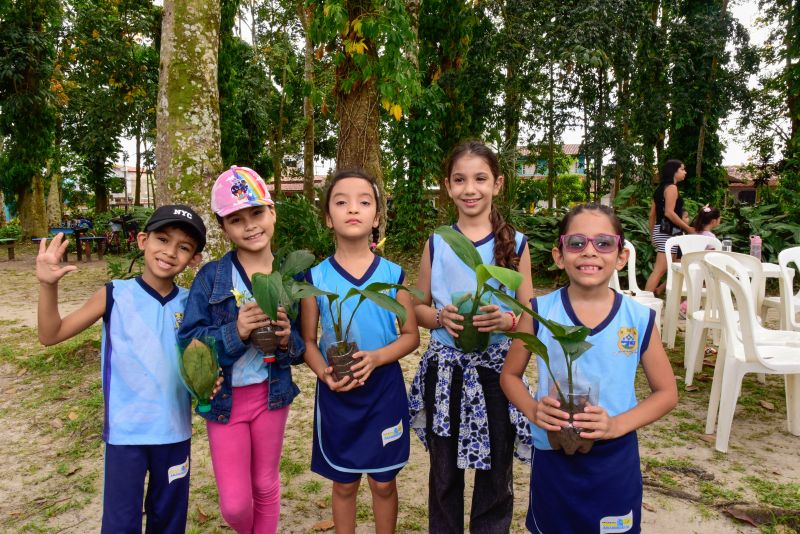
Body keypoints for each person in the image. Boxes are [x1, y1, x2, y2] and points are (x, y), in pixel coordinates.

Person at [500, 203, 678, 533]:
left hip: (614, 458)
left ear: (621, 257)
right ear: (559, 254)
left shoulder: (638, 319)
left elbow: (667, 393)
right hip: (553, 452)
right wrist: (533, 409)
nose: (590, 252)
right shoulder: (539, 312)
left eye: (604, 243)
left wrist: (615, 425)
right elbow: (509, 375)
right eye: (577, 243)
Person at [37, 204, 208, 534]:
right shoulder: (114, 294)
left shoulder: (192, 303)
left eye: (184, 246)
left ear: (195, 258)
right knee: (119, 524)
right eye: (162, 239)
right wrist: (48, 285)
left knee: (169, 523)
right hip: (125, 435)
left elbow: (208, 360)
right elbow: (50, 334)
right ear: (143, 240)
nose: (170, 252)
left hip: (175, 433)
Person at [408, 140, 534, 533]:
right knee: (444, 476)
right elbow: (419, 307)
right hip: (445, 373)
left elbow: (530, 317)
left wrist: (507, 322)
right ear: (447, 187)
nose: (470, 188)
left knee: (496, 476)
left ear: (498, 183)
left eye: (480, 179)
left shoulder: (516, 243)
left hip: (498, 376)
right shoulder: (438, 241)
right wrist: (440, 316)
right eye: (460, 180)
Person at [179, 166, 301, 534]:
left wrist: (285, 339)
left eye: (257, 213)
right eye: (236, 219)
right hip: (226, 401)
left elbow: (300, 349)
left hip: (271, 395)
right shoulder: (212, 277)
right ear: (224, 227)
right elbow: (191, 343)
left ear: (273, 212)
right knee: (234, 504)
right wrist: (236, 331)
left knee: (265, 484)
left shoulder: (291, 276)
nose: (250, 226)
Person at [300, 168, 420, 534]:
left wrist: (377, 357)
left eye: (364, 202)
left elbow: (411, 335)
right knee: (344, 483)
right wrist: (324, 373)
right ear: (327, 216)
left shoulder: (393, 275)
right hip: (338, 390)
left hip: (383, 388)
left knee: (383, 483)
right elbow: (307, 342)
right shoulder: (314, 278)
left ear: (377, 217)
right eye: (341, 202)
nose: (353, 209)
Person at [645, 159, 695, 294]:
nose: (685, 172)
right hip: (668, 233)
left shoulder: (659, 189)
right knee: (660, 270)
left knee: (676, 267)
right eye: (682, 169)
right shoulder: (672, 188)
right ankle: (643, 303)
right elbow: (669, 212)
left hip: (660, 231)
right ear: (674, 172)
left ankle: (659, 291)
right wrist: (688, 228)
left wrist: (652, 235)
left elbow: (651, 215)